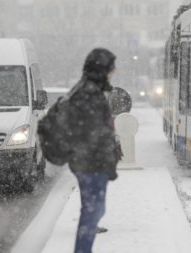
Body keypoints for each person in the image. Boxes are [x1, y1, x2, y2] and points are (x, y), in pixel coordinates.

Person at [68, 48, 119, 253]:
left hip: (89, 160)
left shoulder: (89, 90)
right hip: (90, 162)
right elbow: (91, 131)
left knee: (94, 210)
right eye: (111, 67)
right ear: (102, 69)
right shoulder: (89, 93)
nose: (113, 71)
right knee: (92, 211)